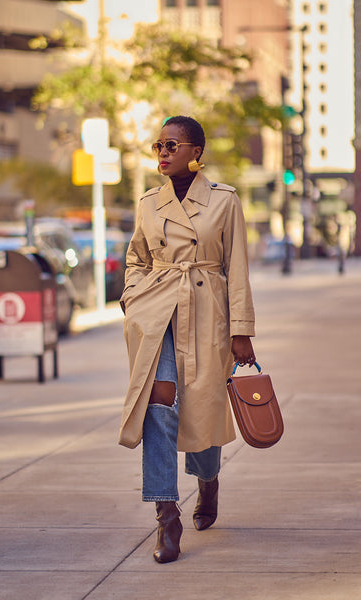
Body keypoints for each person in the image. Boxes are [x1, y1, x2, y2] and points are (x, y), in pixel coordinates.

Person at [119, 115, 256, 563]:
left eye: (172, 144)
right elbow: (136, 258)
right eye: (159, 144)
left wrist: (242, 331)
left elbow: (235, 268)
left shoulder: (224, 200)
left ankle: (208, 479)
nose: (163, 151)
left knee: (204, 407)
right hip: (156, 314)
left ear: (196, 151)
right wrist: (132, 297)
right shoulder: (148, 202)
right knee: (158, 402)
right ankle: (165, 515)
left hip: (206, 312)